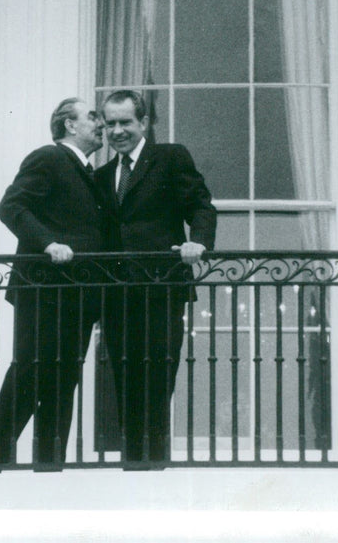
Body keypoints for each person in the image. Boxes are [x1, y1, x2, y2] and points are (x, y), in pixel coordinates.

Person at [0, 98, 105, 471]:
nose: (100, 124)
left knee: (63, 382)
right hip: (44, 290)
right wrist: (48, 244)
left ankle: (49, 467)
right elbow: (12, 206)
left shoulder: (89, 173)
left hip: (77, 296)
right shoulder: (48, 158)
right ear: (69, 125)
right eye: (92, 116)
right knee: (30, 372)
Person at [95, 89, 216, 467]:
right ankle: (133, 465)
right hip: (116, 294)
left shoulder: (169, 158)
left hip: (161, 288)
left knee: (159, 376)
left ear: (143, 122)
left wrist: (197, 242)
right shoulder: (100, 176)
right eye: (110, 123)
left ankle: (155, 465)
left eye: (125, 122)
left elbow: (200, 205)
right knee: (124, 380)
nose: (117, 131)